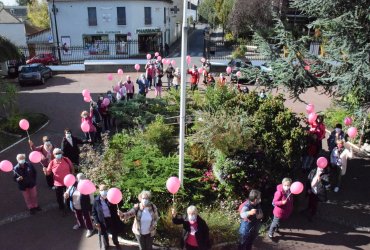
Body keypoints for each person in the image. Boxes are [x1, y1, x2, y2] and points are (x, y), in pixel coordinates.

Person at [44, 148, 74, 215]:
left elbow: (72, 168)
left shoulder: (66, 159)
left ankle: (69, 206)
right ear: (54, 155)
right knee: (59, 197)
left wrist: (72, 176)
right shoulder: (52, 162)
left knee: (69, 195)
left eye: (59, 153)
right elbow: (48, 173)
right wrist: (45, 171)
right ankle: (61, 207)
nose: (58, 154)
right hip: (58, 183)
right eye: (56, 153)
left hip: (68, 182)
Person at [64, 173, 94, 238]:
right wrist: (66, 194)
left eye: (82, 178)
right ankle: (80, 224)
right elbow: (68, 191)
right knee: (78, 215)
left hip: (84, 205)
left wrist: (91, 204)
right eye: (78, 179)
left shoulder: (87, 185)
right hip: (75, 205)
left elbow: (91, 196)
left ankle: (90, 229)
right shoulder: (73, 185)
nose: (80, 180)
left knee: (87, 217)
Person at [93, 184, 122, 250]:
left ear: (107, 190)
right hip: (103, 220)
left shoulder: (110, 198)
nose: (103, 191)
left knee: (114, 232)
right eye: (101, 190)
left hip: (112, 219)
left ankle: (116, 243)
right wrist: (96, 222)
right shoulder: (96, 201)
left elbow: (117, 204)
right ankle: (106, 245)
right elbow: (94, 212)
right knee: (104, 233)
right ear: (99, 191)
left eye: (105, 189)